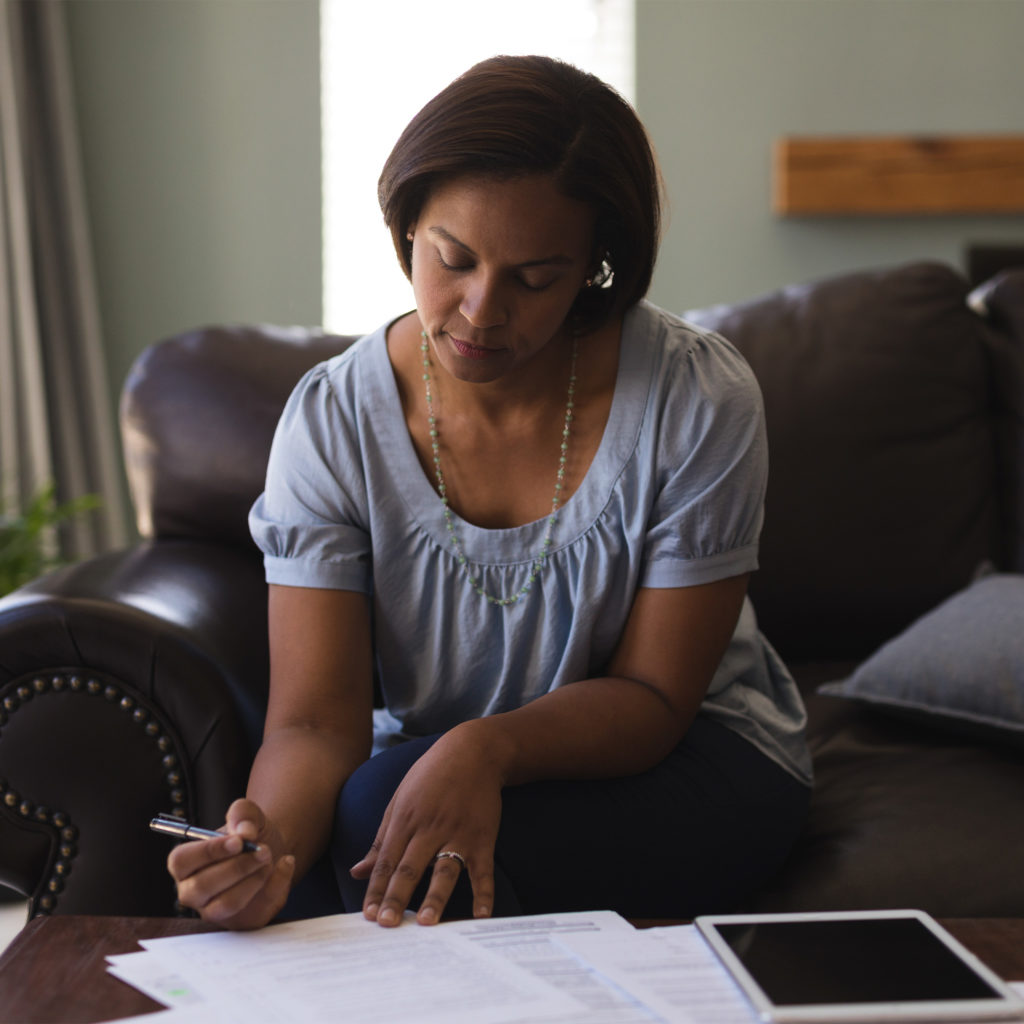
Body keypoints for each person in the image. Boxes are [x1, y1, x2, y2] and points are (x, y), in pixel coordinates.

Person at [167, 54, 812, 931]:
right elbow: (316, 724)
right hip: (433, 767)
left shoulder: (698, 399)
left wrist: (488, 747)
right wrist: (268, 846)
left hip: (692, 751)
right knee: (341, 842)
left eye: (535, 277)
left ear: (597, 267)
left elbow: (658, 700)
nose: (479, 310)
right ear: (406, 228)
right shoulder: (332, 420)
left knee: (377, 828)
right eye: (453, 259)